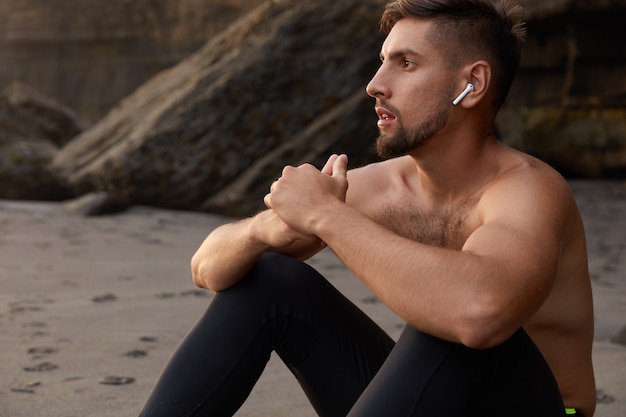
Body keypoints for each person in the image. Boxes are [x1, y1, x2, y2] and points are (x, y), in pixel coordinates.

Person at [139, 0, 596, 416]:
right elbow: (206, 267)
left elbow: (479, 314)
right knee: (269, 276)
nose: (375, 86)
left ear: (472, 84)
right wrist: (262, 233)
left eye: (406, 64)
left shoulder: (529, 191)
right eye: (382, 63)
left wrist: (325, 217)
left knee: (449, 317)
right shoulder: (381, 187)